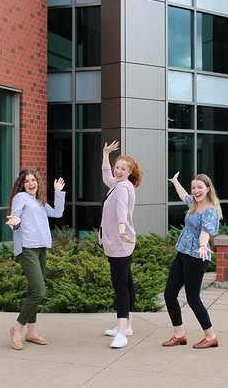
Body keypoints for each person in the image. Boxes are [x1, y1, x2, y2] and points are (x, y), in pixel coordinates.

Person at [5, 169, 66, 351]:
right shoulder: (21, 197)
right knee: (39, 291)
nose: (31, 184)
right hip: (27, 248)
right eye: (27, 181)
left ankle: (31, 332)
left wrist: (58, 192)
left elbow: (58, 213)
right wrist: (15, 222)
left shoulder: (39, 201)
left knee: (33, 290)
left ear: (38, 182)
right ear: (22, 185)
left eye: (34, 180)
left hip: (40, 248)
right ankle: (17, 328)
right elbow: (15, 218)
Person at [163, 172, 222, 349]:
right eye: (193, 187)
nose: (196, 191)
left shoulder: (210, 211)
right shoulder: (194, 203)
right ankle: (179, 335)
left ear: (208, 188)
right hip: (182, 253)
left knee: (193, 298)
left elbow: (205, 234)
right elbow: (184, 196)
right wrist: (175, 182)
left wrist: (203, 245)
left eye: (200, 187)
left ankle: (211, 337)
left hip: (197, 258)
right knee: (169, 295)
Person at [99, 140, 143, 349]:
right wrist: (105, 154)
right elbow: (106, 177)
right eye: (117, 167)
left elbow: (122, 210)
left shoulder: (123, 187)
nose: (117, 171)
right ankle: (127, 326)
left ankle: (122, 333)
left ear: (130, 172)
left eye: (122, 169)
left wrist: (122, 229)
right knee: (127, 283)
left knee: (120, 287)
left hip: (120, 243)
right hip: (119, 243)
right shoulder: (118, 184)